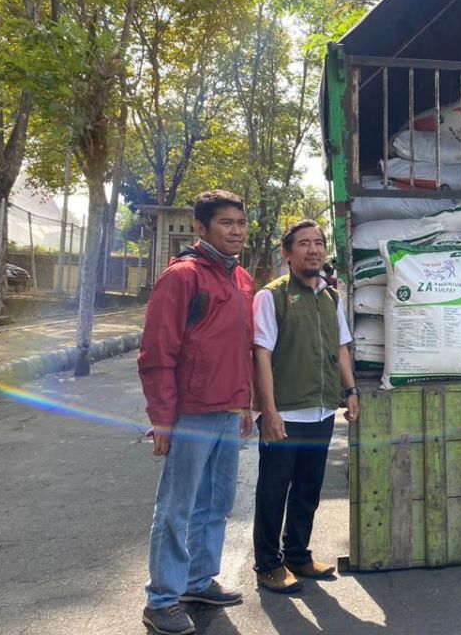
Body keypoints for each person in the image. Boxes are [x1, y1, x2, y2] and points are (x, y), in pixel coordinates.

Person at [137, 190, 255, 635]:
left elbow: (241, 349)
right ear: (201, 228)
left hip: (227, 410)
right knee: (176, 507)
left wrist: (243, 402)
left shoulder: (241, 278)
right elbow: (156, 353)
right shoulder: (183, 277)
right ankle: (162, 599)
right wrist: (163, 418)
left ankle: (198, 580)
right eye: (226, 223)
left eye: (241, 223)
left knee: (217, 502)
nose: (237, 230)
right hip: (190, 414)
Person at [252, 220, 360, 594]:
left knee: (308, 488)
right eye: (303, 244)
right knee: (273, 490)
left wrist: (350, 391)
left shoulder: (331, 297)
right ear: (287, 254)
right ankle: (267, 565)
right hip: (285, 412)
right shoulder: (272, 296)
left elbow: (342, 347)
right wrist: (268, 410)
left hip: (321, 411)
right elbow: (261, 354)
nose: (313, 249)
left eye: (318, 243)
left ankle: (297, 554)